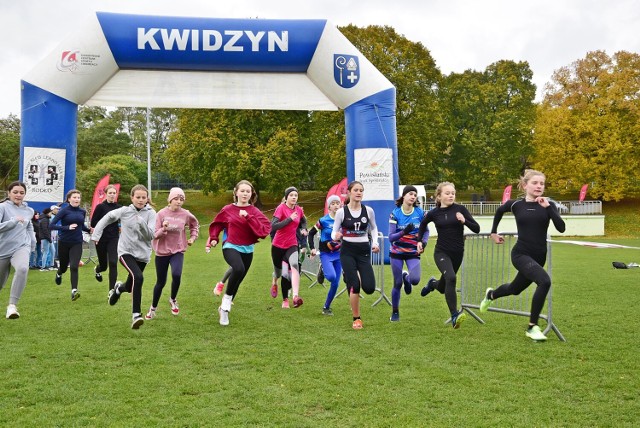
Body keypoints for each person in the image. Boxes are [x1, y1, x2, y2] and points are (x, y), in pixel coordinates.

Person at [479, 169, 566, 341]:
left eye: (542, 183)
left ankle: (491, 295)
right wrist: (493, 232)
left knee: (514, 289)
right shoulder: (515, 205)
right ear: (525, 185)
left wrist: (548, 208)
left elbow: (561, 227)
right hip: (521, 254)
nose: (539, 186)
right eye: (535, 183)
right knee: (544, 281)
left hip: (538, 257)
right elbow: (499, 211)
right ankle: (532, 327)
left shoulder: (549, 205)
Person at [207, 180, 271, 326]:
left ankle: (224, 309)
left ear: (251, 194)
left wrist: (248, 217)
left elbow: (265, 230)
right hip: (230, 245)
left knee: (238, 279)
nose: (245, 194)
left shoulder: (254, 211)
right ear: (236, 192)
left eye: (248, 191)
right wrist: (214, 238)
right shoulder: (228, 209)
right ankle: (226, 304)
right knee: (238, 268)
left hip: (248, 249)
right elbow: (218, 223)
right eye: (242, 191)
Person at [417, 182, 480, 329]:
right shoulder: (434, 213)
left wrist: (465, 221)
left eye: (453, 193)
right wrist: (419, 241)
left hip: (457, 253)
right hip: (441, 252)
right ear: (439, 196)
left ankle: (432, 284)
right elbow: (422, 224)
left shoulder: (460, 209)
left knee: (443, 286)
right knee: (451, 277)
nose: (451, 195)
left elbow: (476, 228)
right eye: (447, 193)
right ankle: (454, 315)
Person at [92, 185, 156, 329]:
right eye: (137, 197)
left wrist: (142, 224)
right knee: (138, 277)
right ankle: (136, 315)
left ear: (147, 199)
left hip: (143, 254)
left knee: (130, 285)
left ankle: (119, 289)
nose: (140, 200)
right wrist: (96, 235)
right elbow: (107, 218)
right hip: (125, 252)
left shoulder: (151, 213)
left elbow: (150, 236)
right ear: (132, 198)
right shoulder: (125, 211)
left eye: (143, 197)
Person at [331, 181, 380, 330]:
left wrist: (375, 242)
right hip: (347, 251)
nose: (359, 193)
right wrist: (336, 235)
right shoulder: (341, 212)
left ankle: (351, 277)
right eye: (356, 190)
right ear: (349, 192)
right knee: (355, 286)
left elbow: (374, 228)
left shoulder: (368, 211)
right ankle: (356, 318)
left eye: (361, 190)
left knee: (370, 288)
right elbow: (334, 232)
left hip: (363, 251)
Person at [145, 188, 199, 320]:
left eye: (182, 199)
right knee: (161, 282)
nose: (179, 202)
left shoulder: (185, 214)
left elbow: (195, 225)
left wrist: (192, 237)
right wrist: (163, 229)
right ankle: (153, 308)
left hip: (178, 250)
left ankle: (173, 299)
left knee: (176, 274)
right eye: (176, 199)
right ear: (170, 200)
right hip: (162, 252)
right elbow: (154, 235)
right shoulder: (161, 214)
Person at [388, 185, 428, 322]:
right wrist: (404, 232)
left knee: (415, 280)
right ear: (403, 196)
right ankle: (395, 312)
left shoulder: (420, 213)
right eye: (410, 194)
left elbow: (426, 231)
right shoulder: (395, 213)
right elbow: (390, 237)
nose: (413, 196)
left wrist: (424, 242)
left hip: (412, 252)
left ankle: (407, 277)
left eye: (415, 195)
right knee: (397, 283)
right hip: (397, 252)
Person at [0, 181, 36, 319]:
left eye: (22, 193)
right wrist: (13, 221)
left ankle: (12, 306)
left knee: (22, 269)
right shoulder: (2, 207)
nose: (18, 195)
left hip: (21, 246)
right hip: (2, 249)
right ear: (9, 193)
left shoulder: (29, 210)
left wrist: (32, 244)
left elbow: (28, 226)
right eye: (15, 192)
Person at [50, 189, 91, 301]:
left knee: (74, 266)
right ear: (69, 199)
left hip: (77, 242)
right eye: (74, 197)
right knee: (63, 267)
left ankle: (74, 291)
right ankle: (59, 273)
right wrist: (66, 227)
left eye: (78, 197)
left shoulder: (82, 211)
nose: (77, 199)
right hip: (64, 242)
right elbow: (51, 226)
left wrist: (89, 230)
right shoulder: (64, 211)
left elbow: (81, 226)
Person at [270, 187, 307, 309]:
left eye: (296, 195)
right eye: (291, 195)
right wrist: (289, 219)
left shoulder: (298, 210)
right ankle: (274, 282)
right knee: (279, 273)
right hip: (278, 246)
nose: (294, 197)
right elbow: (274, 226)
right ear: (286, 197)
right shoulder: (281, 208)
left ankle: (293, 297)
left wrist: (303, 229)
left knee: (294, 265)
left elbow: (303, 220)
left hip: (292, 244)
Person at [308, 195, 343, 316]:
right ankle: (322, 269)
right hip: (326, 254)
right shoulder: (323, 221)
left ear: (341, 205)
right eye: (332, 203)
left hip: (339, 254)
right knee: (332, 277)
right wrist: (312, 248)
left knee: (336, 283)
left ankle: (326, 307)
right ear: (329, 206)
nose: (335, 205)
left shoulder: (344, 221)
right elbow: (311, 234)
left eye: (337, 203)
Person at [90, 184, 122, 291]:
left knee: (113, 262)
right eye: (110, 193)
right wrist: (106, 221)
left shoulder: (119, 207)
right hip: (101, 238)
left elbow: (123, 220)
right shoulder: (100, 207)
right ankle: (97, 270)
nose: (112, 195)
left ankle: (111, 290)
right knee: (104, 266)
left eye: (114, 193)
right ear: (106, 194)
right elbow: (93, 223)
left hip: (114, 238)